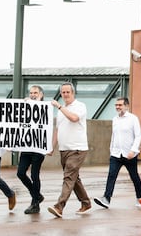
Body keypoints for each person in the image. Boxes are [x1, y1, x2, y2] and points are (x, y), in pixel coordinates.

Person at [48, 82, 91, 218]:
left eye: (68, 92)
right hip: (64, 149)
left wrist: (59, 106)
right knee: (73, 178)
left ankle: (59, 206)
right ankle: (86, 202)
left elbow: (74, 118)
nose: (65, 94)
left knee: (68, 177)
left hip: (77, 148)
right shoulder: (61, 111)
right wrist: (52, 147)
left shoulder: (80, 106)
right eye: (63, 92)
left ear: (73, 93)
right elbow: (57, 130)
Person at [94, 97, 141, 209]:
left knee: (134, 176)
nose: (117, 107)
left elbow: (138, 135)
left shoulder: (133, 119)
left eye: (120, 105)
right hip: (116, 154)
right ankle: (106, 199)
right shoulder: (115, 119)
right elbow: (114, 135)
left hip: (129, 154)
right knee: (111, 175)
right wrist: (111, 150)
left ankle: (140, 197)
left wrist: (133, 150)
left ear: (127, 106)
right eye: (116, 105)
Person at [16, 85, 46, 214]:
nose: (33, 94)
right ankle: (37, 195)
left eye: (36, 93)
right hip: (27, 147)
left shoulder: (45, 107)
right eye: (31, 92)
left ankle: (35, 204)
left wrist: (37, 102)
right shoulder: (26, 106)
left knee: (34, 175)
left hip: (38, 148)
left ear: (41, 94)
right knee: (20, 173)